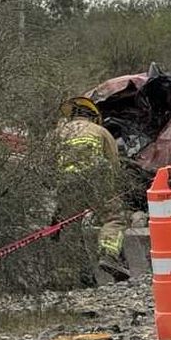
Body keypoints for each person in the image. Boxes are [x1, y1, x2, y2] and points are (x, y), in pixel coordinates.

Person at [55, 97, 127, 284]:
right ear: (93, 117)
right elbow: (114, 163)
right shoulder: (100, 131)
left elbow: (46, 164)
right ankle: (109, 255)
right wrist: (113, 190)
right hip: (97, 181)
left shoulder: (58, 133)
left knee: (70, 226)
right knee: (113, 218)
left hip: (67, 184)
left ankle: (74, 274)